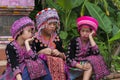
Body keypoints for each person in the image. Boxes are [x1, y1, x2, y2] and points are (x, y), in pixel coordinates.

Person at [66, 16, 110, 80]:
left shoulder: (90, 42)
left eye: (87, 31)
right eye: (83, 31)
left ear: (91, 33)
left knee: (95, 59)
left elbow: (96, 53)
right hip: (74, 65)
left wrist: (91, 37)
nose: (84, 33)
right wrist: (80, 66)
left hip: (85, 64)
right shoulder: (74, 41)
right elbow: (68, 59)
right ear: (79, 31)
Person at [32, 8, 68, 80]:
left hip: (58, 69)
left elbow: (64, 55)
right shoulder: (34, 39)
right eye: (50, 24)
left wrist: (59, 53)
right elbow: (30, 56)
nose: (52, 26)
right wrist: (41, 52)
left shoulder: (56, 39)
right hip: (41, 71)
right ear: (42, 25)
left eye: (54, 24)